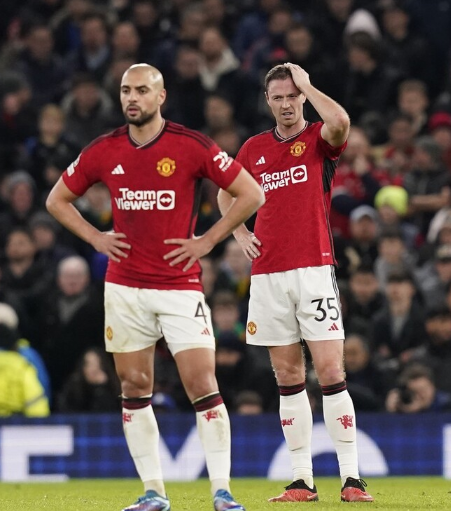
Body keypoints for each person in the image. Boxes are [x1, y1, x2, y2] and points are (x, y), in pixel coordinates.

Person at [46, 63, 264, 511]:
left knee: (202, 383)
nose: (132, 98)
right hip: (124, 288)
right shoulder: (104, 149)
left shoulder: (191, 145)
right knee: (134, 385)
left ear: (160, 96)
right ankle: (154, 492)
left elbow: (251, 193)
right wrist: (95, 237)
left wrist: (207, 241)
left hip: (180, 286)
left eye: (142, 90)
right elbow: (56, 200)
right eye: (126, 90)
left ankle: (222, 492)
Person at [217, 63, 374, 503]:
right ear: (268, 102)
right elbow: (225, 192)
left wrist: (307, 83)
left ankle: (352, 478)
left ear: (302, 97)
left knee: (331, 371)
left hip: (313, 269)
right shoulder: (253, 149)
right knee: (287, 376)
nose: (286, 104)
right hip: (267, 274)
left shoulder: (319, 139)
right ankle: (302, 480)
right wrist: (239, 232)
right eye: (278, 97)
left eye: (292, 96)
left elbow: (341, 121)